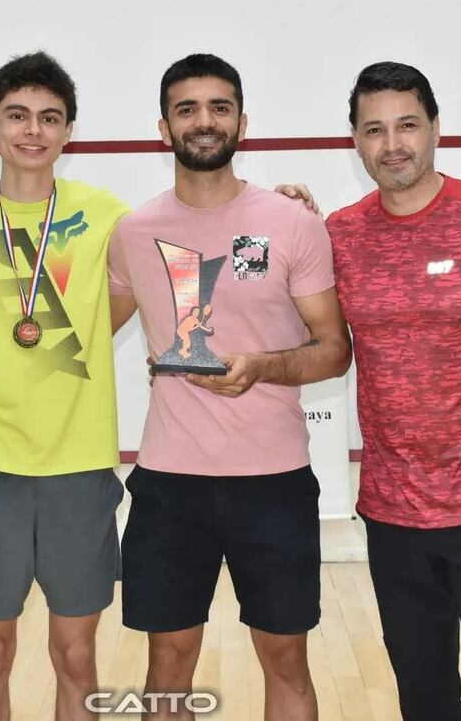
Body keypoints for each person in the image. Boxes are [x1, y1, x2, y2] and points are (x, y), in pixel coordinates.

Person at [108, 53, 351, 721]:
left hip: (273, 482)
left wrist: (265, 367)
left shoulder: (291, 221)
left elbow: (335, 351)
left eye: (218, 107)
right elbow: (84, 333)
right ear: (164, 128)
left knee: (286, 662)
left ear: (242, 121)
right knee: (167, 666)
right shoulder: (132, 231)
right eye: (187, 108)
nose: (204, 121)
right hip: (168, 483)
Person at [0, 52, 130, 721]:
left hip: (79, 466)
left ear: (68, 132)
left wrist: (286, 199)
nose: (32, 131)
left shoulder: (109, 217)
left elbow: (199, 237)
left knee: (76, 657)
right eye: (17, 116)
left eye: (49, 118)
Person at [326, 61, 461, 721]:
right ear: (353, 140)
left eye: (408, 125)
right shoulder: (341, 234)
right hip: (393, 515)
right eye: (373, 129)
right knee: (425, 700)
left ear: (436, 128)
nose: (393, 144)